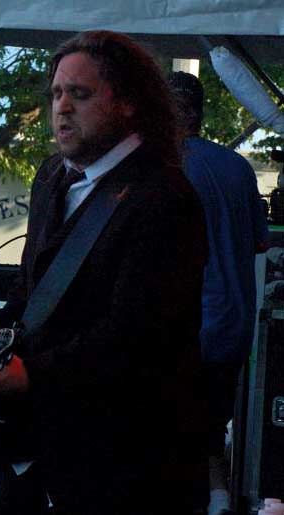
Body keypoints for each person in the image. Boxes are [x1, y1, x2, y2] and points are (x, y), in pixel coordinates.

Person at [0, 31, 210, 515]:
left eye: (80, 93)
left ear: (128, 102)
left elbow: (137, 336)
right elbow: (28, 288)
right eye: (56, 93)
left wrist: (30, 375)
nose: (62, 107)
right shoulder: (52, 176)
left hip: (124, 460)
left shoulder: (162, 196)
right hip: (38, 447)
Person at [169, 71, 270, 515]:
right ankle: (218, 500)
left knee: (171, 432)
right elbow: (260, 241)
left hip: (184, 328)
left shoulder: (164, 168)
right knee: (209, 430)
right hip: (232, 327)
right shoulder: (238, 167)